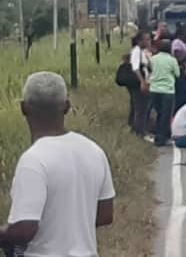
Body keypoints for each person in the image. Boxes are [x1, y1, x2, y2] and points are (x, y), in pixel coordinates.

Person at [0, 72, 114, 255]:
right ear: (67, 106)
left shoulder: (33, 160)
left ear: (23, 108)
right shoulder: (94, 150)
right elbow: (105, 215)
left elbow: (24, 230)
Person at [149, 40, 181, 146]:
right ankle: (162, 137)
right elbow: (177, 74)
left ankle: (157, 135)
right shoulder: (172, 60)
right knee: (165, 115)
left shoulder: (153, 59)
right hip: (167, 90)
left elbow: (149, 71)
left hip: (154, 89)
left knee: (159, 113)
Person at [129, 31, 153, 137]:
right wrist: (142, 82)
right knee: (140, 108)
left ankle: (139, 129)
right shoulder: (136, 51)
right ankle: (139, 132)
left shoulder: (144, 52)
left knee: (143, 107)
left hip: (147, 81)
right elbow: (135, 68)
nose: (149, 41)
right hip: (139, 84)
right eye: (146, 39)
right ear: (140, 41)